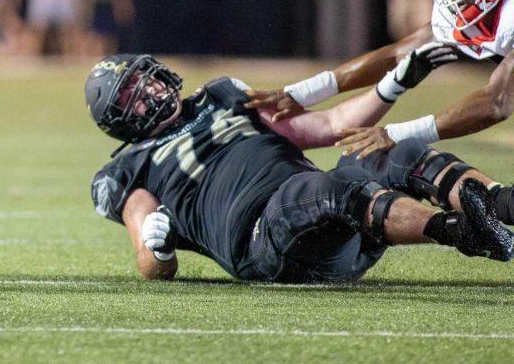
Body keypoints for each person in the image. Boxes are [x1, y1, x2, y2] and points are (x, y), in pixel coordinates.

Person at [86, 55, 514, 283]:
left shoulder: (221, 96)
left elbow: (329, 125)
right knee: (327, 187)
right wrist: (157, 248)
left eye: (145, 80)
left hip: (337, 220)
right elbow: (149, 261)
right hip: (264, 242)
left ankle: (501, 205)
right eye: (131, 98)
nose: (149, 92)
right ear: (119, 121)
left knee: (388, 148)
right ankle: (463, 232)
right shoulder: (130, 166)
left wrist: (394, 84)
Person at [247, 0, 514, 160]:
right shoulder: (466, 8)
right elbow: (397, 54)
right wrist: (300, 94)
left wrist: (395, 134)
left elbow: (496, 103)